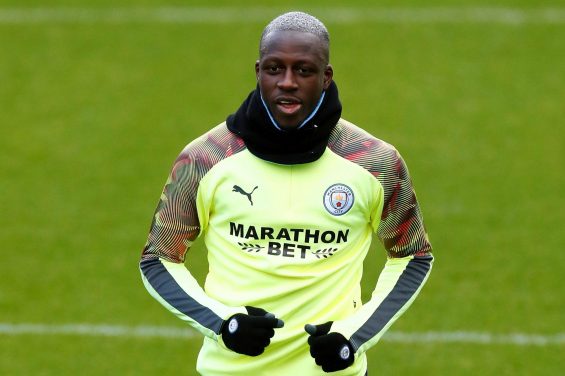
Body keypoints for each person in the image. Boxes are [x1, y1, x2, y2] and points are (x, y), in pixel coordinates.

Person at [140, 11, 433, 376]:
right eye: (275, 69)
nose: (288, 83)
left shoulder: (375, 162)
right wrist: (222, 324)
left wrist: (353, 337)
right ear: (258, 71)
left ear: (326, 78)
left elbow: (412, 256)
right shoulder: (205, 158)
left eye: (304, 70)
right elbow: (159, 259)